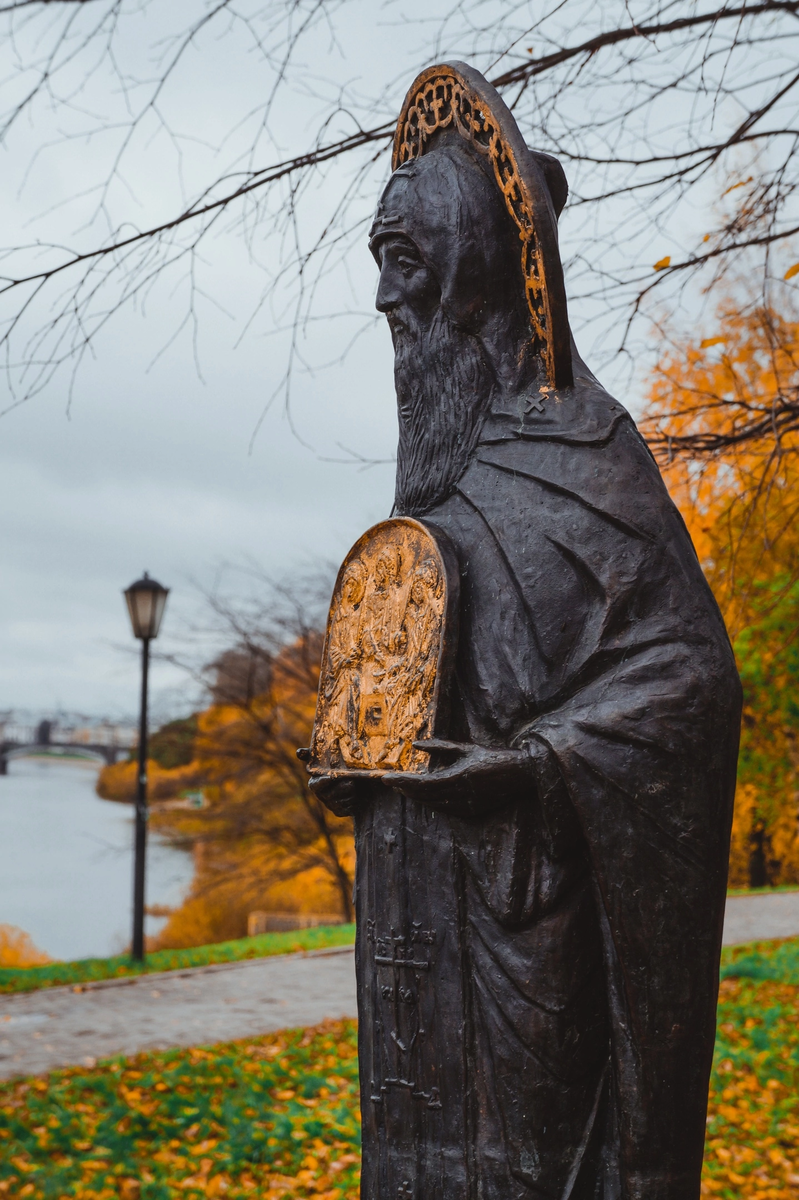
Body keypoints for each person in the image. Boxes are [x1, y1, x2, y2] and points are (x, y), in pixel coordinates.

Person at [307, 62, 741, 1200]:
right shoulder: (435, 477)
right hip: (413, 931)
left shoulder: (588, 452)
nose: (383, 303)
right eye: (379, 265)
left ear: (475, 268)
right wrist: (354, 757)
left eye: (404, 267)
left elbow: (688, 680)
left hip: (529, 928)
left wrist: (537, 767)